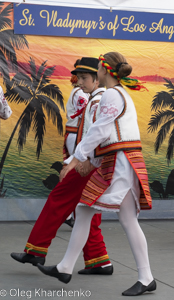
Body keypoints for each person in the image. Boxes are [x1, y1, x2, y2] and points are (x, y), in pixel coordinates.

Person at [37, 52, 156, 296]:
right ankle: (65, 267)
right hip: (116, 159)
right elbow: (106, 134)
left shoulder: (112, 94)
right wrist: (87, 158)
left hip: (121, 162)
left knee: (125, 219)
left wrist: (75, 159)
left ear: (103, 70)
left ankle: (146, 277)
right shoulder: (117, 93)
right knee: (84, 209)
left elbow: (100, 131)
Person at [11, 57, 113, 276]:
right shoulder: (95, 99)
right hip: (92, 161)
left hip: (90, 163)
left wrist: (77, 161)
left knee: (60, 200)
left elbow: (98, 136)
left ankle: (37, 250)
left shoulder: (97, 101)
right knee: (86, 211)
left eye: (85, 78)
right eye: (79, 78)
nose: (79, 82)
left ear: (97, 79)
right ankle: (98, 260)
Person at [64, 59, 89, 228]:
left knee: (76, 173)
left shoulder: (80, 93)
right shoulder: (80, 94)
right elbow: (87, 115)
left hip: (75, 134)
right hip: (76, 134)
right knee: (75, 173)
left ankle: (69, 213)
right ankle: (69, 213)